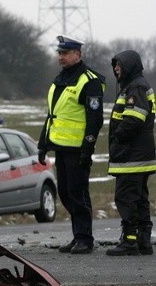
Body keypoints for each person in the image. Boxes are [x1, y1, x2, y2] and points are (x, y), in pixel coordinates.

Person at [38, 36, 105, 254]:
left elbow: (95, 118)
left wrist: (88, 147)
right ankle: (78, 236)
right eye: (59, 53)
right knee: (65, 193)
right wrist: (43, 144)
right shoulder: (61, 78)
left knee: (78, 193)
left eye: (65, 53)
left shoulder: (89, 80)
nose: (60, 57)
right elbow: (53, 115)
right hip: (60, 147)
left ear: (78, 54)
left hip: (77, 149)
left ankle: (85, 238)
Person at [105, 50, 156, 256]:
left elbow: (134, 118)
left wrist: (118, 136)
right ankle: (144, 241)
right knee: (139, 198)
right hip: (139, 156)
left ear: (130, 66)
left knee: (125, 197)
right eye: (115, 65)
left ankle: (130, 240)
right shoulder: (136, 85)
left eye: (119, 65)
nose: (116, 69)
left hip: (131, 156)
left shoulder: (135, 87)